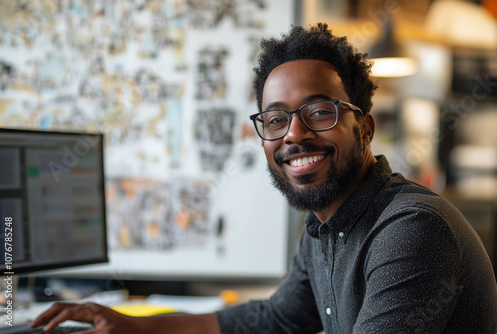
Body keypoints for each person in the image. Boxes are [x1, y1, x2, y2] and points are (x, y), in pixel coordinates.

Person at [31, 23, 496, 334]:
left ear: (365, 128)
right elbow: (272, 318)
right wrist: (135, 324)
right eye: (275, 120)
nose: (294, 133)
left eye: (318, 112)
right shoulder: (323, 228)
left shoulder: (410, 230)